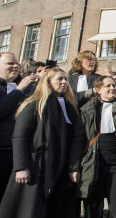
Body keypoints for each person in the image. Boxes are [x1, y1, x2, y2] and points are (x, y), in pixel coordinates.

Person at [0, 68, 78, 218]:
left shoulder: (69, 107)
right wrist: (21, 166)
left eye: (66, 79)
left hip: (61, 167)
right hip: (38, 167)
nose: (64, 82)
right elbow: (19, 137)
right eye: (59, 79)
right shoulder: (34, 104)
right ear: (48, 82)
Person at [68, 76, 116, 218]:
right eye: (108, 86)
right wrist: (74, 167)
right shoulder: (86, 111)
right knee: (93, 209)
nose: (112, 88)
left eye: (114, 86)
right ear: (98, 90)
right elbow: (78, 141)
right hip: (93, 165)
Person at [0, 52, 36, 202]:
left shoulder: (28, 87)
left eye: (16, 63)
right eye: (10, 64)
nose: (15, 66)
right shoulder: (22, 87)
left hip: (23, 152)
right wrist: (18, 90)